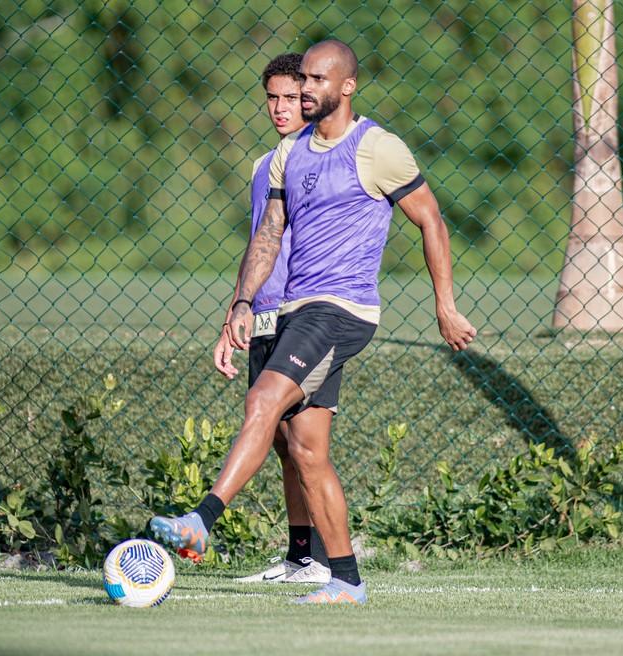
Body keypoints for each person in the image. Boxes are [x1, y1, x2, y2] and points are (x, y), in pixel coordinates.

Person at [152, 40, 476, 605]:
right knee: (306, 450)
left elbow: (432, 221)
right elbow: (269, 235)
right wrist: (241, 304)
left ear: (345, 87)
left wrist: (444, 305)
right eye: (301, 77)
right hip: (298, 310)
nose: (304, 89)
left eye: (316, 80)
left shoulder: (378, 148)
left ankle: (201, 519)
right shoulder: (287, 154)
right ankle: (346, 581)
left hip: (343, 310)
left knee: (263, 401)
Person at [212, 53, 331, 585]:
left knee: (304, 443)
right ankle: (301, 558)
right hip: (264, 312)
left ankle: (329, 558)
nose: (281, 108)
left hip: (307, 313)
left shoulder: (325, 158)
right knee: (283, 442)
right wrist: (237, 307)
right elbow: (261, 242)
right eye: (272, 98)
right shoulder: (266, 164)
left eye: (291, 97)